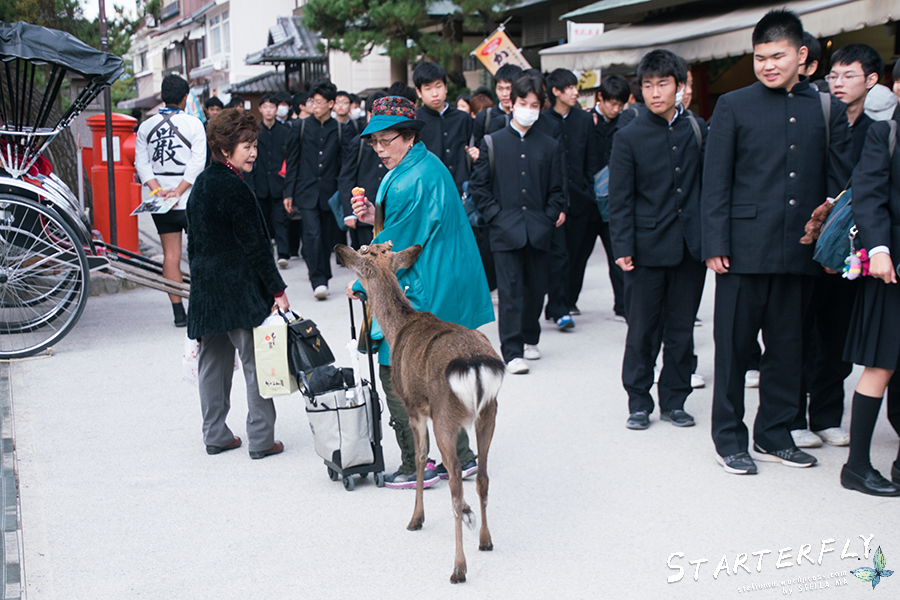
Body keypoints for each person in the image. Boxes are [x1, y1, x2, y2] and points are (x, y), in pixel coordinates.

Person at [702, 9, 854, 475]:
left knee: (789, 349)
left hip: (799, 252)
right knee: (733, 349)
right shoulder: (732, 104)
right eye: (759, 56)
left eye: (777, 55)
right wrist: (714, 242)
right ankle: (730, 439)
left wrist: (833, 243)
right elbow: (715, 181)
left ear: (801, 55)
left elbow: (839, 182)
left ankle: (774, 434)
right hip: (742, 250)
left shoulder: (824, 108)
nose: (767, 64)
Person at [348, 96, 494, 489]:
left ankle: (419, 461)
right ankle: (461, 456)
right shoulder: (423, 166)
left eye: (386, 140)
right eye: (373, 142)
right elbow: (400, 228)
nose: (379, 149)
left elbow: (398, 248)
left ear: (408, 136)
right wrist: (371, 219)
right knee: (442, 371)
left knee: (395, 369)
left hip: (425, 285)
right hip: (444, 279)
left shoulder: (411, 178)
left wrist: (361, 281)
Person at [608, 50, 707, 431]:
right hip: (646, 250)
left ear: (679, 86)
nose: (655, 92)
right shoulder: (628, 136)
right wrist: (623, 248)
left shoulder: (697, 129)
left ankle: (675, 399)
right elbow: (620, 199)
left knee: (681, 330)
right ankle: (638, 399)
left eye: (663, 84)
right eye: (647, 85)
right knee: (643, 329)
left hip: (690, 248)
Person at [792, 43, 884, 450]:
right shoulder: (818, 117)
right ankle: (793, 416)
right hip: (808, 239)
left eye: (849, 75)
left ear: (872, 80)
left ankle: (827, 415)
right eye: (834, 75)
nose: (839, 83)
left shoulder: (877, 130)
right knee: (796, 332)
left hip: (851, 247)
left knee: (836, 334)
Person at [186, 108, 289, 460]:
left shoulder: (201, 184)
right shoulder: (236, 188)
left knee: (212, 364)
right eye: (246, 145)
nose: (253, 152)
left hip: (206, 290)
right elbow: (257, 246)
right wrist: (277, 289)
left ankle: (215, 434)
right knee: (255, 363)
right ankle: (261, 439)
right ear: (225, 149)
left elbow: (194, 242)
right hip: (238, 289)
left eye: (254, 145)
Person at [470, 75, 566, 374]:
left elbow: (558, 190)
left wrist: (549, 217)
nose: (528, 109)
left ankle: (530, 337)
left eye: (534, 105)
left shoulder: (549, 145)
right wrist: (496, 216)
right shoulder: (493, 142)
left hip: (538, 228)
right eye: (523, 103)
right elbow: (479, 187)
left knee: (537, 287)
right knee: (510, 291)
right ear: (512, 103)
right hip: (504, 228)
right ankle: (511, 351)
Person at [839, 114, 900, 496]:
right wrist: (878, 250)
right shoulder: (886, 132)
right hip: (889, 266)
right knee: (881, 363)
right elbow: (868, 192)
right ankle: (857, 466)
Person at [134, 74, 207, 327]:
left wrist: (158, 191)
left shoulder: (145, 126)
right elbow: (198, 162)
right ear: (185, 97)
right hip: (189, 198)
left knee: (171, 255)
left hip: (160, 202)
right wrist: (179, 189)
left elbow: (141, 164)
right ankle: (200, 306)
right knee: (199, 254)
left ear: (162, 97)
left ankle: (178, 313)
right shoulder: (194, 124)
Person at [284, 79, 350, 300]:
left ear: (331, 103)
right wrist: (289, 193)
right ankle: (318, 280)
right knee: (311, 235)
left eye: (320, 102)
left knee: (325, 238)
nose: (315, 105)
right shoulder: (299, 127)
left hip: (330, 194)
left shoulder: (341, 130)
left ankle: (324, 276)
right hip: (306, 191)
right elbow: (292, 162)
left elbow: (345, 167)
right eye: (312, 101)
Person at [592, 75, 630, 321]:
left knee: (618, 254)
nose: (615, 109)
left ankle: (623, 305)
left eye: (620, 104)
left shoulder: (626, 123)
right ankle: (563, 303)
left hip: (613, 201)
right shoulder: (586, 121)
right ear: (600, 99)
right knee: (573, 258)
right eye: (611, 103)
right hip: (587, 201)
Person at [414, 61, 474, 196]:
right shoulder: (415, 121)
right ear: (419, 92)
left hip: (462, 191)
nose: (435, 93)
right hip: (429, 192)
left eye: (438, 86)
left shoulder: (463, 119)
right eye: (428, 88)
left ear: (446, 88)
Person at [247, 93, 292, 269]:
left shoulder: (285, 130)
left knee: (280, 219)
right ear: (260, 109)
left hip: (279, 183)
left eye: (271, 106)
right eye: (265, 107)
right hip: (260, 183)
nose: (268, 110)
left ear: (276, 109)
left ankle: (283, 254)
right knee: (262, 221)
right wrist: (250, 185)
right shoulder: (254, 132)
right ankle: (265, 255)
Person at [337, 90, 386, 249]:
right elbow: (346, 179)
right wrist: (349, 213)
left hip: (389, 211)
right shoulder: (358, 143)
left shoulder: (396, 142)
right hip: (364, 211)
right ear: (368, 115)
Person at [471, 64, 524, 152]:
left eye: (509, 88)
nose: (504, 94)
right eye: (500, 88)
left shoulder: (526, 116)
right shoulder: (484, 117)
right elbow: (478, 147)